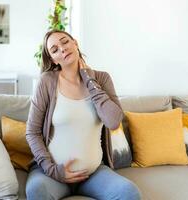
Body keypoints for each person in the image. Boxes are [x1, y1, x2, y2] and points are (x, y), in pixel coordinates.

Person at [26, 30, 141, 200]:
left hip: (93, 174)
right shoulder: (47, 81)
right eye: (55, 49)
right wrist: (52, 170)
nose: (62, 49)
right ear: (52, 59)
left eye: (65, 42)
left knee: (129, 193)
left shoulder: (102, 79)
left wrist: (89, 79)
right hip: (52, 175)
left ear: (75, 43)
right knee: (37, 190)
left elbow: (113, 121)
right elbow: (32, 132)